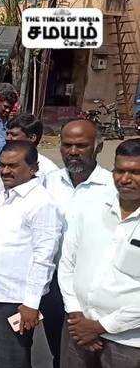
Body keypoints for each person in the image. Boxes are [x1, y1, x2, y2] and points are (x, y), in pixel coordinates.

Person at [0, 140, 63, 368]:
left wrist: (31, 303)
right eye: (2, 165)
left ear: (34, 168)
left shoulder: (42, 203)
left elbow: (44, 257)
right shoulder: (7, 193)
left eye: (13, 166)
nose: (5, 171)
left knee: (13, 358)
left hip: (15, 298)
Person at [58, 138, 140, 368]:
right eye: (120, 170)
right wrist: (75, 313)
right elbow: (67, 262)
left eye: (135, 172)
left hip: (128, 343)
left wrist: (101, 327)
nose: (125, 179)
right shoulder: (93, 206)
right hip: (77, 329)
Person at [42, 119, 115, 367]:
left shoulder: (112, 188)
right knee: (57, 344)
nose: (73, 152)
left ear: (98, 146)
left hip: (89, 287)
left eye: (81, 146)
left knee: (89, 350)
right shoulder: (50, 181)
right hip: (52, 284)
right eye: (67, 145)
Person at [5, 114, 59, 179]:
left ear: (32, 138)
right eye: (7, 134)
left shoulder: (49, 172)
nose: (7, 138)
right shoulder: (5, 164)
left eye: (13, 135)